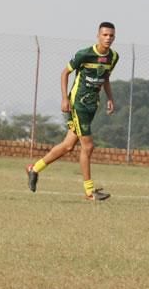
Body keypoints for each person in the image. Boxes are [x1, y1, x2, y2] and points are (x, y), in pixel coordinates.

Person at [26, 22, 119, 201]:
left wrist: (110, 98)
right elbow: (64, 73)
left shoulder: (113, 57)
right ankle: (89, 191)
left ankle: (34, 168)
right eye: (105, 35)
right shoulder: (84, 54)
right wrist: (64, 98)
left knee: (68, 146)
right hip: (78, 105)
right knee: (88, 146)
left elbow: (106, 78)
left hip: (92, 105)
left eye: (111, 36)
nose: (108, 38)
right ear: (98, 35)